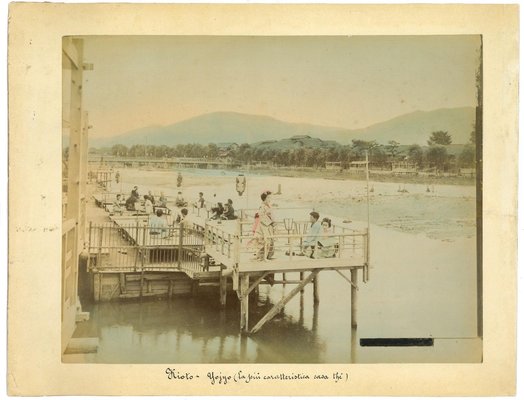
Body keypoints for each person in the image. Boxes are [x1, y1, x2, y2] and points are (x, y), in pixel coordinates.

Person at [254, 190, 275, 261]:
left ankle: (268, 255)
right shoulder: (262, 206)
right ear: (265, 198)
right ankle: (263, 257)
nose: (269, 199)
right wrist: (270, 222)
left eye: (270, 198)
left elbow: (271, 215)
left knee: (270, 240)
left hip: (268, 226)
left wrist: (273, 221)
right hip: (264, 226)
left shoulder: (268, 206)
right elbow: (261, 216)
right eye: (268, 198)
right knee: (265, 241)